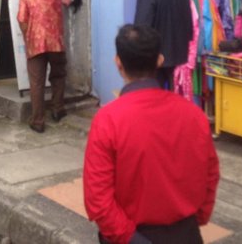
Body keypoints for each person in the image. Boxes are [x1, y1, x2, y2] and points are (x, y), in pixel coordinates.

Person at [83, 25, 220, 244]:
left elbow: (98, 200)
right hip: (186, 234)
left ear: (118, 62)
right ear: (159, 60)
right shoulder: (194, 116)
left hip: (130, 237)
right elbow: (210, 175)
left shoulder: (108, 120)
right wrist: (196, 219)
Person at [17, 0, 73, 133]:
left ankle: (38, 121)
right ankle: (57, 109)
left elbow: (22, 19)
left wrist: (28, 38)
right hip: (56, 42)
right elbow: (67, 1)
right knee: (58, 76)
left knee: (37, 83)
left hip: (36, 44)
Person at [134, 0, 193, 90]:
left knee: (153, 95)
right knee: (172, 93)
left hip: (155, 58)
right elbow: (188, 25)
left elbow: (142, 31)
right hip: (177, 54)